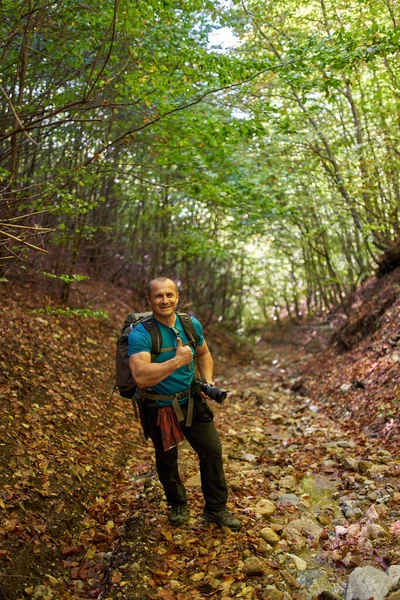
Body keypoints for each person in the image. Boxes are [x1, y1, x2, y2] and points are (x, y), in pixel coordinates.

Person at [128, 277, 242, 531]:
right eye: (158, 296)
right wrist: (178, 362)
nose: (165, 300)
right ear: (149, 301)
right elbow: (141, 376)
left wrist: (207, 381)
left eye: (169, 295)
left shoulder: (190, 325)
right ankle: (178, 503)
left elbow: (203, 353)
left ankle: (216, 509)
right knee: (167, 458)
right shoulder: (141, 334)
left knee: (212, 451)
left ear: (177, 297)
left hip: (190, 400)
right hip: (157, 407)